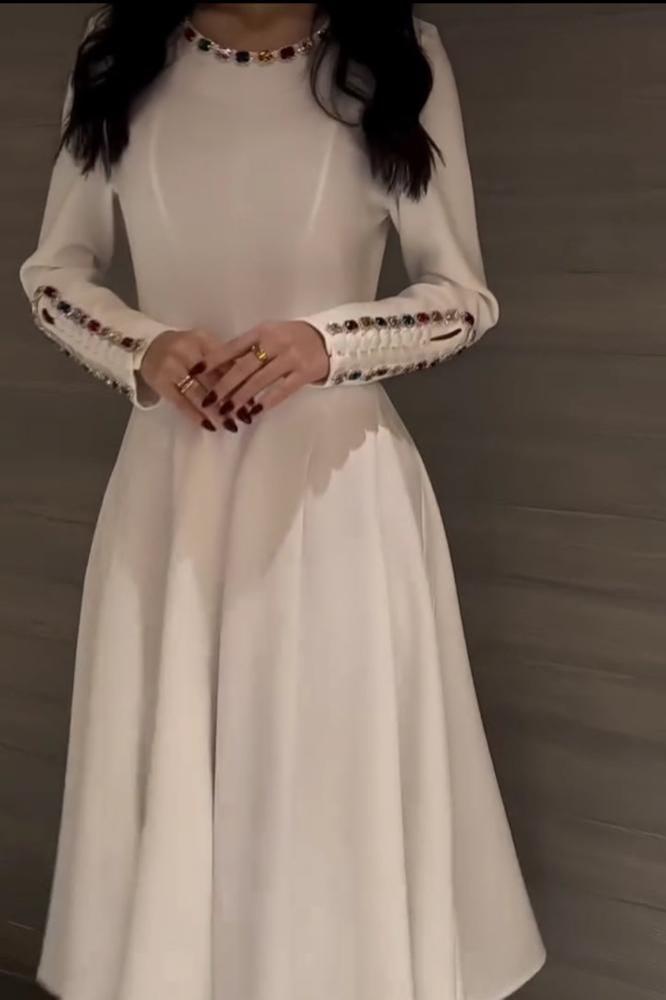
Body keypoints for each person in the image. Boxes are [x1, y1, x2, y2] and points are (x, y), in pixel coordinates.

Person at [18, 4, 547, 999]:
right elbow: (54, 273)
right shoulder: (117, 51)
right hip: (172, 486)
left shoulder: (399, 56)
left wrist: (326, 343)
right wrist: (143, 346)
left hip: (334, 492)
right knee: (174, 771)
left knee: (329, 783)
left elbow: (460, 293)